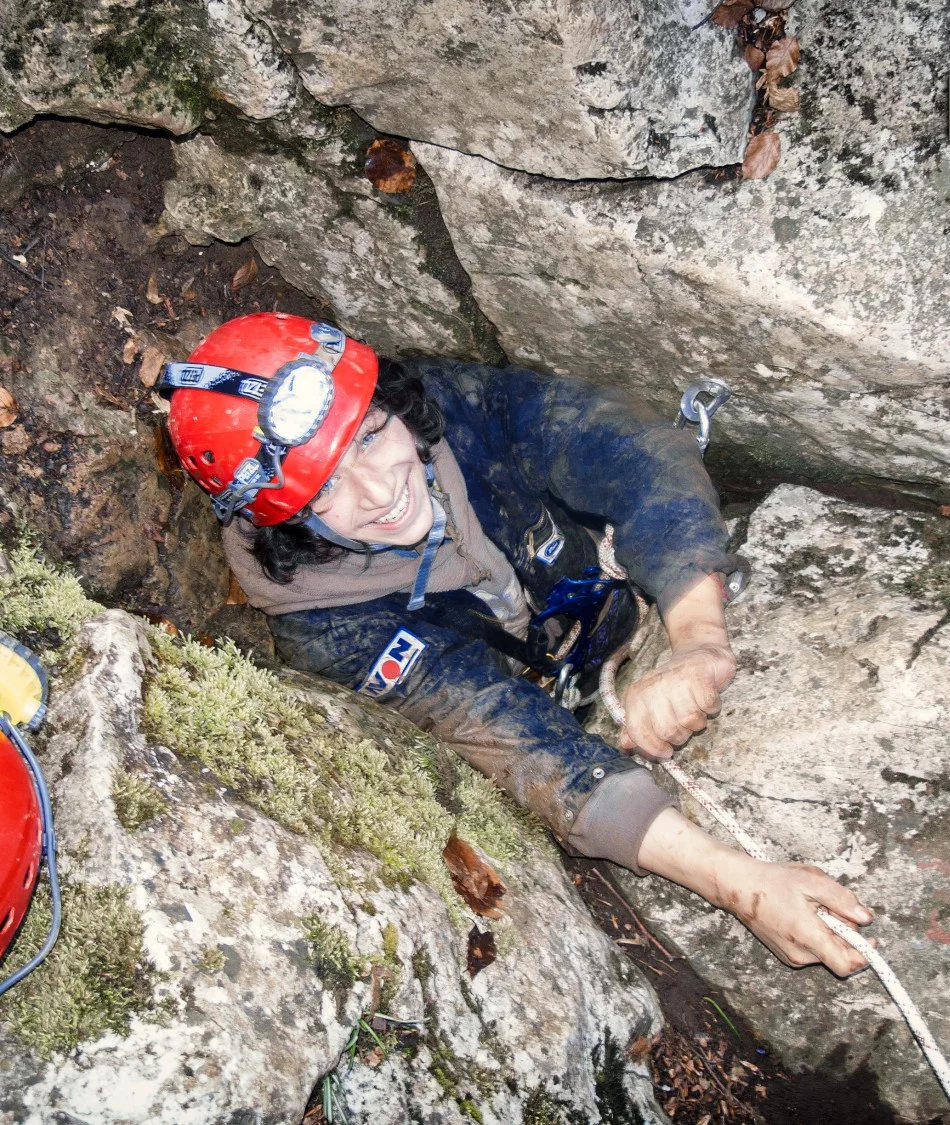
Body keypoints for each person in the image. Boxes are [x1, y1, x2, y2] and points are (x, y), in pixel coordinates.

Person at [162, 312, 872, 976]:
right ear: (286, 521)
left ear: (391, 404)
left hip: (591, 593)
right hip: (541, 671)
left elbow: (626, 445)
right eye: (323, 493)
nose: (380, 491)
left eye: (372, 434)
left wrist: (694, 634)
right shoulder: (335, 630)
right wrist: (741, 884)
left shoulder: (451, 409)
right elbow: (518, 743)